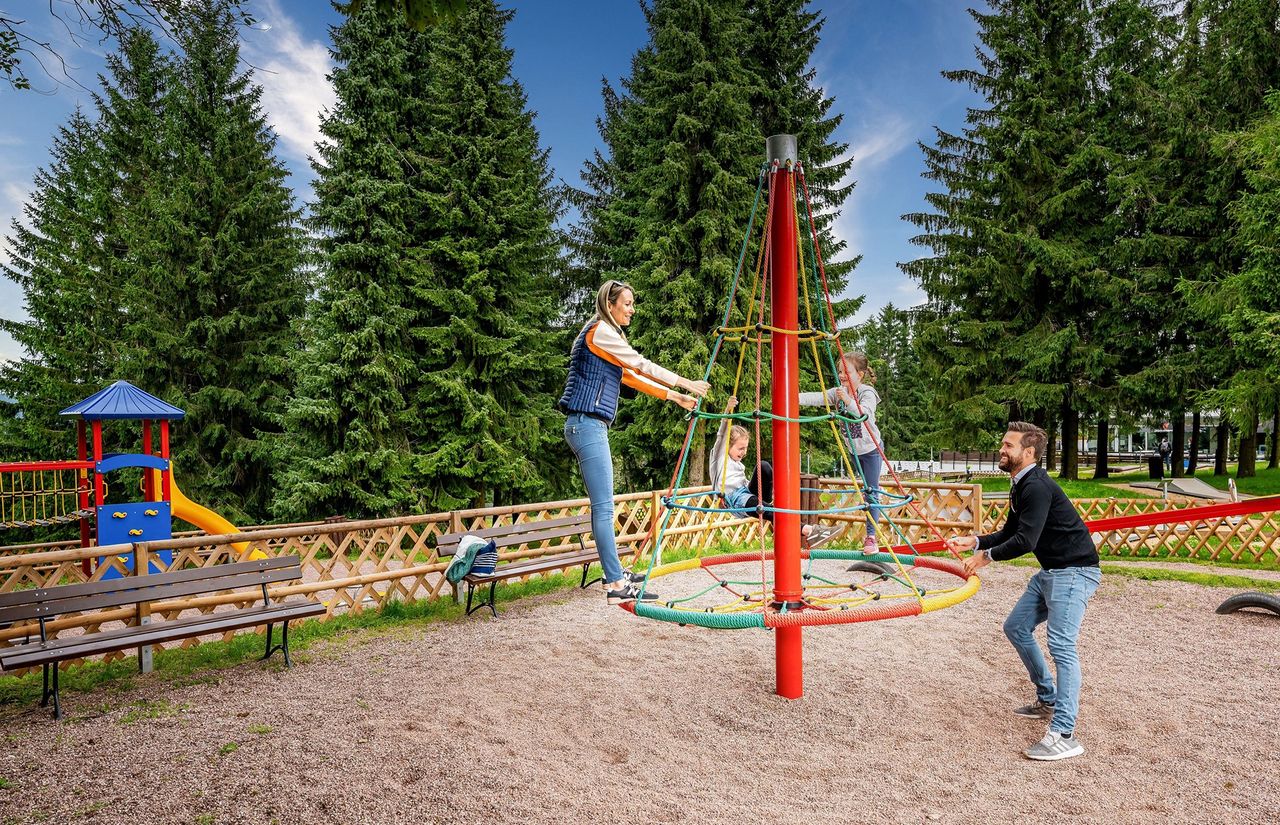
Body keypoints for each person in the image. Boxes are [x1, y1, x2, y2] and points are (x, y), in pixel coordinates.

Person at [944, 422, 1101, 762]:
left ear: (1028, 453)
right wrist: (975, 541)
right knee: (1015, 626)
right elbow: (1010, 531)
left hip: (1075, 572)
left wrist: (986, 557)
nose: (1002, 449)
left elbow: (1025, 542)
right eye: (1003, 444)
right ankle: (1048, 698)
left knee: (1061, 645)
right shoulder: (1021, 484)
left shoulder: (1037, 487)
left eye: (1008, 446)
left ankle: (1064, 734)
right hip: (1053, 571)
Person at [559, 280, 710, 605]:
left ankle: (615, 574)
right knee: (603, 508)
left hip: (588, 426)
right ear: (610, 304)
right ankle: (614, 583)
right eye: (627, 303)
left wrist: (674, 396)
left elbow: (629, 376)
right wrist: (685, 382)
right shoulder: (600, 331)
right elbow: (641, 363)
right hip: (586, 425)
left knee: (604, 507)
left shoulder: (604, 339)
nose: (632, 309)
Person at [710, 396, 835, 545]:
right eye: (740, 448)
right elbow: (722, 433)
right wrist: (728, 410)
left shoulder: (737, 463)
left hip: (746, 492)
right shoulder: (720, 456)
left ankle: (770, 502)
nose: (744, 452)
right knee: (772, 511)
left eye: (746, 448)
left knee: (763, 466)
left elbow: (746, 482)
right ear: (727, 445)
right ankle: (809, 531)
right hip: (735, 500)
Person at [800, 351, 883, 553]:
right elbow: (815, 398)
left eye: (847, 371)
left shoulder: (866, 392)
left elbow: (865, 414)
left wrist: (847, 400)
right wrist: (790, 396)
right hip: (854, 451)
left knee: (871, 492)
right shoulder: (837, 392)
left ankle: (871, 538)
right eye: (840, 371)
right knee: (864, 491)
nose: (842, 375)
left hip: (871, 450)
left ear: (860, 375)